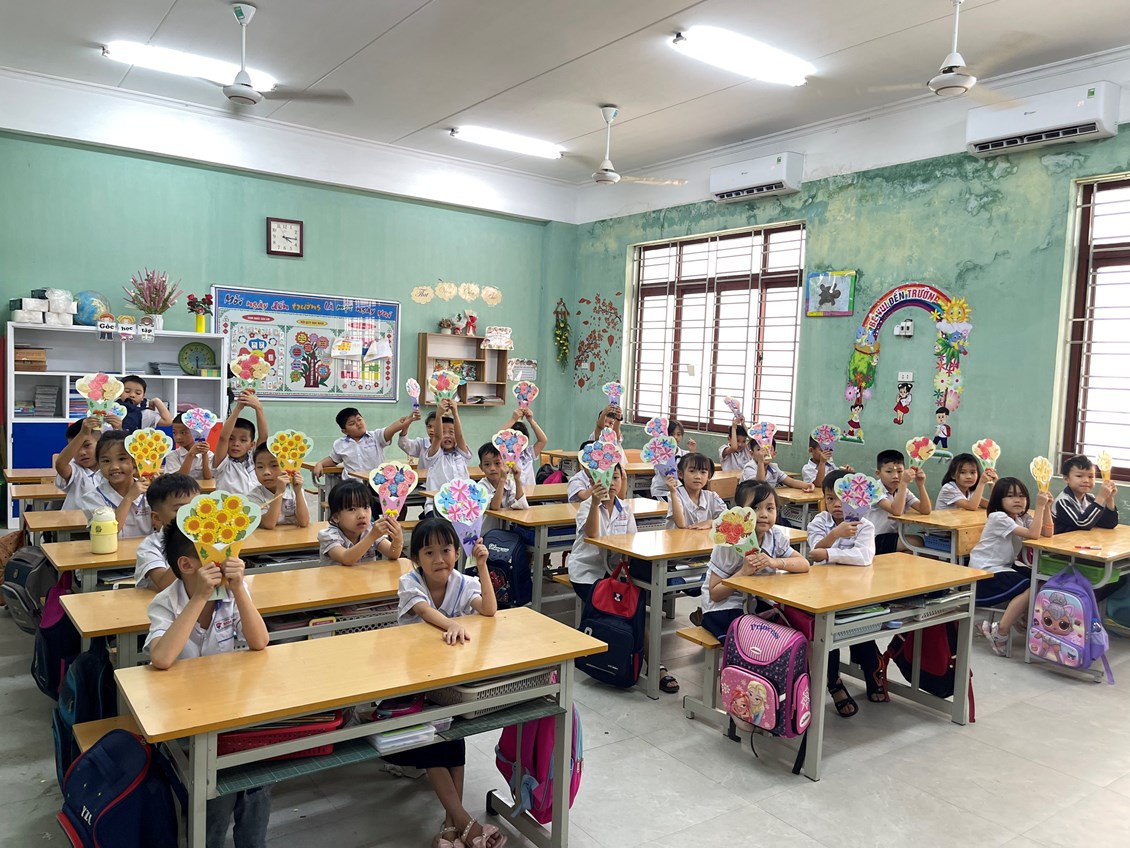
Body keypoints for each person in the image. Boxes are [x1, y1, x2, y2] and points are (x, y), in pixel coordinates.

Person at [145, 523, 271, 848]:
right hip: (183, 715)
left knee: (257, 783)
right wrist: (200, 597)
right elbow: (162, 658)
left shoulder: (232, 593)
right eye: (216, 554)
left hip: (228, 708)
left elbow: (259, 641)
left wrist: (239, 589)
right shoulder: (166, 602)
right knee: (215, 798)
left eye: (231, 552)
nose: (227, 560)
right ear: (187, 565)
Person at [389, 517, 504, 848]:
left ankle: (451, 827)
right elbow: (425, 612)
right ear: (416, 558)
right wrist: (451, 623)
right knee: (432, 742)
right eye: (429, 552)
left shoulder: (462, 581)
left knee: (454, 738)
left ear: (457, 552)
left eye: (446, 550)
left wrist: (482, 565)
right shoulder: (409, 582)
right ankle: (466, 822)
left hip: (448, 679)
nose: (439, 559)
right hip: (412, 681)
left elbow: (490, 610)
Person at [567, 464, 678, 693]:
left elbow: (631, 543)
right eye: (605, 478)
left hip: (615, 573)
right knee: (626, 610)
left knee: (634, 607)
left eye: (615, 477)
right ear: (593, 482)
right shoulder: (587, 507)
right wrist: (595, 504)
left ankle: (645, 663)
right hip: (587, 573)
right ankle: (616, 660)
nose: (611, 483)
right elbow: (592, 534)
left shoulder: (625, 508)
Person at [807, 470, 883, 715]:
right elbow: (814, 551)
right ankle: (834, 682)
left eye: (843, 498)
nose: (837, 504)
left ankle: (872, 671)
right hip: (824, 589)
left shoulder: (865, 524)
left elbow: (864, 556)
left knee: (862, 629)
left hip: (856, 589)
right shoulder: (819, 522)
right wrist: (834, 535)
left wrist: (829, 554)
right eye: (830, 498)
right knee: (827, 636)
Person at [699, 481, 809, 641]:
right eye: (755, 508)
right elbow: (715, 594)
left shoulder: (775, 536)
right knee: (755, 638)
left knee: (790, 628)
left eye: (770, 508)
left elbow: (804, 564)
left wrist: (775, 562)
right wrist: (743, 573)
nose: (763, 514)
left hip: (757, 601)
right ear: (740, 512)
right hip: (724, 606)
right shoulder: (729, 544)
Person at [973, 478, 1054, 656]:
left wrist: (1047, 507)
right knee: (1031, 585)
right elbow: (1033, 534)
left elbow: (1047, 533)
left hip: (1004, 567)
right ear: (998, 500)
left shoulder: (1020, 517)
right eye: (1010, 496)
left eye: (1022, 496)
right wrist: (1040, 507)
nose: (1017, 500)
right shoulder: (998, 517)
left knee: (1040, 579)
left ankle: (1019, 619)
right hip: (985, 573)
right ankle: (1000, 631)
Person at [134, 474, 201, 590]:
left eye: (196, 507)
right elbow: (164, 584)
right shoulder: (149, 546)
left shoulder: (212, 539)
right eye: (180, 509)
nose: (191, 515)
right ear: (157, 518)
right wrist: (188, 545)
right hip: (163, 600)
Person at [81, 431, 152, 538]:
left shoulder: (149, 491)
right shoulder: (93, 498)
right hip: (110, 549)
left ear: (134, 461)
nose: (114, 466)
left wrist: (163, 493)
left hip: (148, 549)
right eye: (106, 461)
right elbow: (106, 534)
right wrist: (129, 498)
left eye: (122, 459)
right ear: (98, 464)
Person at [312, 407, 412, 480]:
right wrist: (320, 464)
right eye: (352, 423)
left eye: (359, 419)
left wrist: (404, 422)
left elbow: (391, 429)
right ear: (344, 431)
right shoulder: (340, 444)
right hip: (351, 486)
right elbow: (333, 460)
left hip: (374, 484)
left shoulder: (376, 437)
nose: (358, 424)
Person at [318, 479, 403, 564]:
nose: (362, 515)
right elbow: (346, 559)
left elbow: (392, 554)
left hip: (366, 573)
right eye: (352, 509)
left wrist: (397, 540)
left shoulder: (369, 529)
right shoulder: (329, 536)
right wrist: (371, 537)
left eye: (366, 507)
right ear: (336, 517)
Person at [868, 448, 932, 554]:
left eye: (899, 471)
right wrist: (903, 483)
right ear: (878, 473)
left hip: (894, 537)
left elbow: (925, 510)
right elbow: (896, 511)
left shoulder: (902, 490)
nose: (895, 476)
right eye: (889, 472)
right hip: (873, 539)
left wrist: (921, 485)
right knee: (918, 541)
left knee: (913, 553)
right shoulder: (873, 488)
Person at [420, 400, 472, 514]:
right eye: (443, 432)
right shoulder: (434, 455)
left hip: (461, 506)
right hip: (437, 506)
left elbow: (460, 436)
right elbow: (437, 437)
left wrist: (455, 413)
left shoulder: (461, 455)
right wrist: (439, 415)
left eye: (451, 432)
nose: (447, 436)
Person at [212, 391, 267, 494]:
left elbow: (263, 437)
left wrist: (258, 408)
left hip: (255, 503)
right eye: (231, 439)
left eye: (243, 440)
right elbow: (223, 437)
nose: (236, 444)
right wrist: (238, 408)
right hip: (228, 504)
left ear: (252, 445)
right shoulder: (223, 462)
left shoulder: (255, 460)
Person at [1051, 454, 1119, 534]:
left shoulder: (1090, 499)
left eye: (1091, 477)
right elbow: (1083, 523)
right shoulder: (1063, 502)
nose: (1086, 480)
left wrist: (1109, 498)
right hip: (1063, 541)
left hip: (1083, 540)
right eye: (1079, 476)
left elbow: (1108, 523)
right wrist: (1101, 497)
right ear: (1066, 479)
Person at [248, 444, 310, 529]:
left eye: (274, 465)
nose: (266, 472)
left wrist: (298, 492)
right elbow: (269, 524)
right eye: (260, 467)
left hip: (293, 537)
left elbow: (304, 522)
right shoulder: (254, 496)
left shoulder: (294, 491)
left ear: (287, 466)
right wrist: (279, 492)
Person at [477, 443, 529, 534]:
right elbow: (495, 506)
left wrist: (517, 479)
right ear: (481, 467)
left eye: (497, 463)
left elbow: (522, 505)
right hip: (485, 535)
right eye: (487, 464)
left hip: (505, 535)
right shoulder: (480, 487)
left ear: (505, 463)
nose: (492, 468)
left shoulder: (509, 483)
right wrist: (502, 479)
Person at [665, 453, 725, 530]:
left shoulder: (712, 497)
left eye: (703, 472)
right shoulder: (675, 494)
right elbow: (681, 524)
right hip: (680, 537)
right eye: (692, 471)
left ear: (709, 476)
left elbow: (729, 518)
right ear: (680, 474)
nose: (698, 477)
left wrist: (711, 522)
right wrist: (673, 492)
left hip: (702, 537)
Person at [53, 417, 101, 511]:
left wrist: (118, 429)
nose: (82, 452)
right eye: (76, 447)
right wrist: (83, 434)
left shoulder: (109, 469)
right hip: (74, 520)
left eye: (87, 445)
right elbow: (60, 465)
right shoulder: (75, 469)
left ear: (101, 443)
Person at [649, 418, 697, 499]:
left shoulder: (685, 454)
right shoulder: (658, 454)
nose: (675, 437)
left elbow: (692, 471)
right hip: (662, 492)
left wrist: (692, 452)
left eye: (679, 434)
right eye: (671, 434)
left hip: (680, 493)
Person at [502, 407, 548, 490]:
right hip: (512, 493)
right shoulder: (503, 455)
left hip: (530, 493)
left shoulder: (528, 453)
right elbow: (496, 439)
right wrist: (513, 419)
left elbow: (543, 440)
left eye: (521, 439)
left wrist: (531, 420)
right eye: (513, 439)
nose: (517, 443)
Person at [164, 412, 213, 481]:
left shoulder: (209, 455)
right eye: (174, 432)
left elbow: (208, 477)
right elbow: (178, 479)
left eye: (183, 433)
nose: (178, 437)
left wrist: (204, 455)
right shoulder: (172, 455)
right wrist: (190, 455)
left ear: (196, 433)